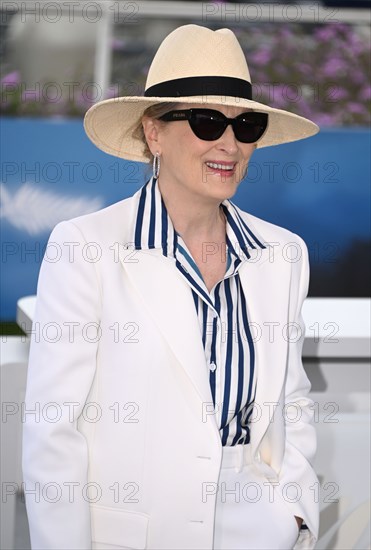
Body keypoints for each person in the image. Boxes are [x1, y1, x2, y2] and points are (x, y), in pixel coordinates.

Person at [22, 24, 319, 550]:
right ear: (152, 132)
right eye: (207, 122)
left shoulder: (283, 253)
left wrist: (294, 518)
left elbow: (291, 403)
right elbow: (53, 435)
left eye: (246, 125)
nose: (229, 143)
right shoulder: (85, 247)